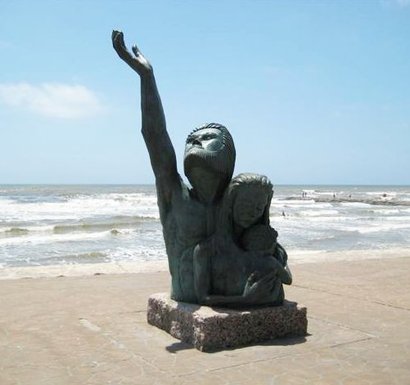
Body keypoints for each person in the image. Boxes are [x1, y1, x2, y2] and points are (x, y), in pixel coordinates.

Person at [112, 31, 237, 302]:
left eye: (206, 138)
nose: (195, 143)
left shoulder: (234, 201)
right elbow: (155, 136)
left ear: (227, 150)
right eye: (191, 140)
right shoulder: (175, 193)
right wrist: (147, 78)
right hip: (185, 294)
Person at [193, 173, 292, 306]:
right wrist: (245, 299)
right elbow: (203, 298)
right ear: (231, 202)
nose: (252, 213)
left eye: (259, 207)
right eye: (246, 205)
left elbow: (286, 276)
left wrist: (275, 260)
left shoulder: (270, 248)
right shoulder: (207, 250)